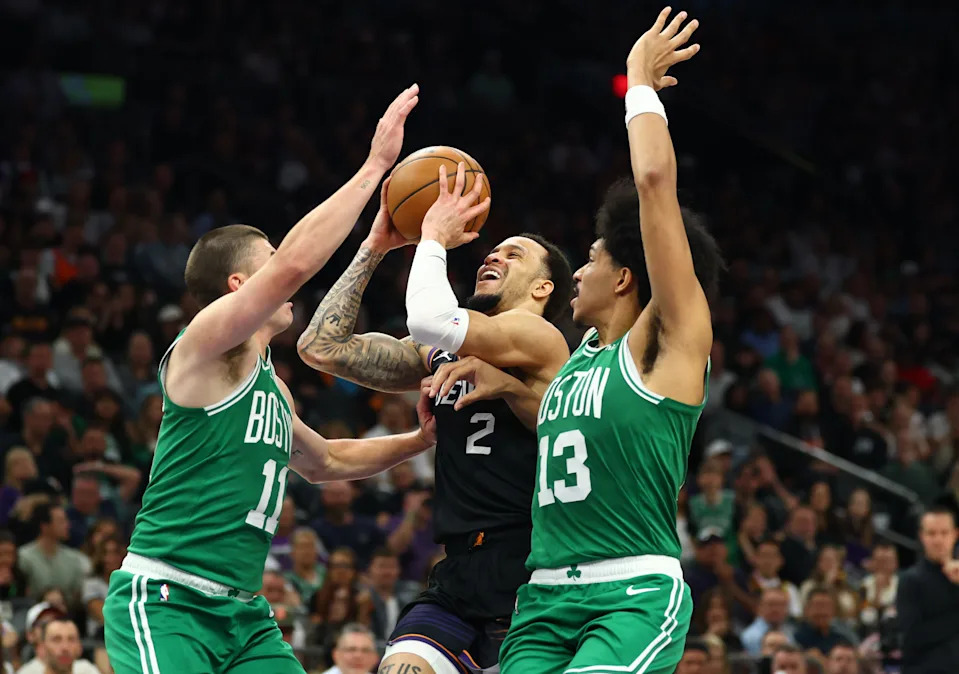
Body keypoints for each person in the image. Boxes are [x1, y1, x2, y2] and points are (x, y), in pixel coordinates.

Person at [101, 85, 442, 674]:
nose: (286, 279)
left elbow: (327, 461)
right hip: (167, 600)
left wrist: (419, 442)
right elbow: (293, 266)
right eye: (268, 262)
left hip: (245, 617)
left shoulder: (273, 387)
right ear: (239, 286)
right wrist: (375, 168)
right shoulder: (202, 347)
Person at [497, 10, 721, 673]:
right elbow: (583, 441)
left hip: (629, 593)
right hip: (541, 598)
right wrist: (502, 383)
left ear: (625, 276)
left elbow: (654, 186)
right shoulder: (572, 366)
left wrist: (641, 83)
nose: (577, 272)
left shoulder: (666, 344)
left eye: (589, 259)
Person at [298, 137, 571, 674]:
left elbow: (430, 319)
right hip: (457, 571)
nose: (494, 255)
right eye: (495, 250)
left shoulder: (540, 340)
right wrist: (376, 244)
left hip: (531, 570)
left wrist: (434, 239)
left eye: (513, 255)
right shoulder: (448, 351)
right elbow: (320, 347)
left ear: (543, 288)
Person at [896, 507, 959, 673]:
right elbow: (913, 636)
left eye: (944, 533)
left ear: (955, 534)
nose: (938, 540)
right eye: (931, 533)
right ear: (922, 536)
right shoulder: (910, 580)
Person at [15, 617, 99, 674]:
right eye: (56, 640)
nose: (65, 647)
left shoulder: (87, 670)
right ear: (42, 647)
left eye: (71, 639)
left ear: (80, 647)